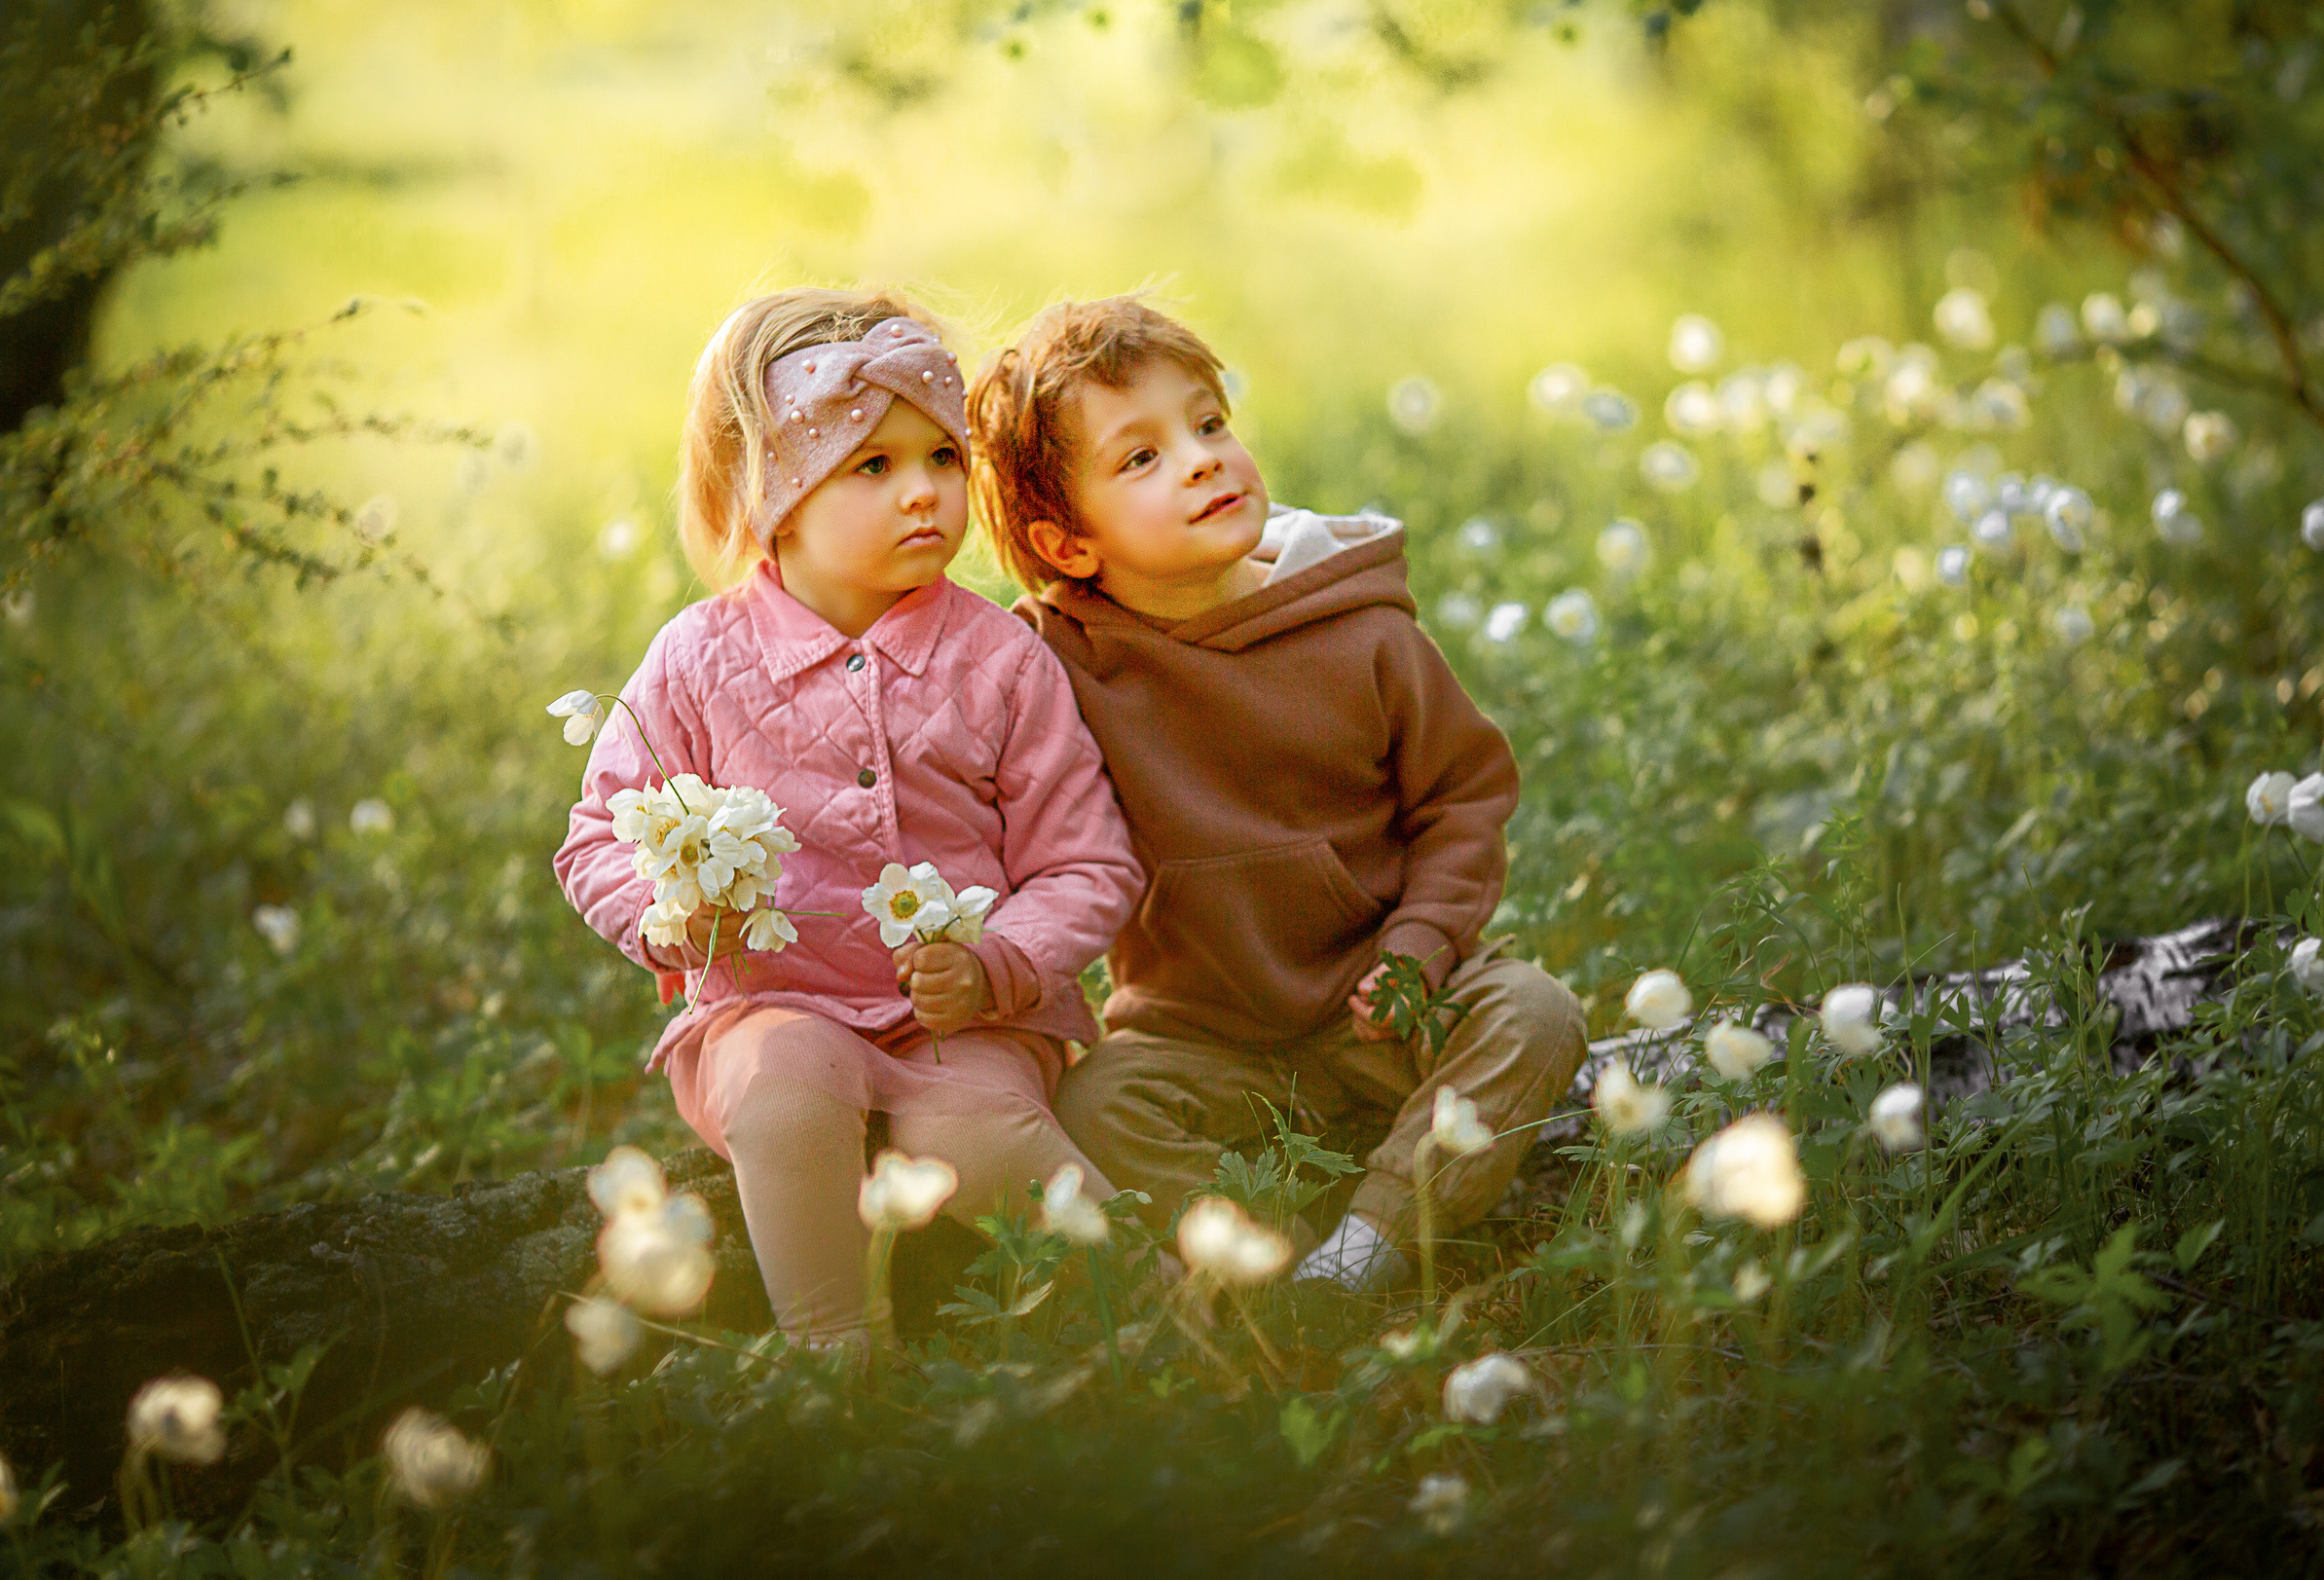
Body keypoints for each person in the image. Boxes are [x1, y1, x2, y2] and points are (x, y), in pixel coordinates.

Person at [555, 290, 1142, 1347]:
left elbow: (1086, 864)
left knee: (981, 1137)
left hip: (965, 1020)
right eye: (871, 467)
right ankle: (832, 1355)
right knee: (784, 1100)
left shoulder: (1001, 660)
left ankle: (1160, 1309)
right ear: (773, 494)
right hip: (766, 1004)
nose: (922, 493)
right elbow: (597, 833)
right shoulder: (697, 661)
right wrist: (665, 917)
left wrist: (997, 962)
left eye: (940, 458)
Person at [966, 296, 1585, 1292]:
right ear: (1072, 548)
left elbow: (1460, 802)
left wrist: (1419, 946)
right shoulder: (1053, 668)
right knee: (1094, 1113)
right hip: (1197, 1036)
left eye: (1208, 423)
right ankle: (1259, 1271)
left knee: (1536, 1012)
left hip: (1380, 1007)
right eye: (1140, 458)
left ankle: (1369, 1244)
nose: (1203, 458)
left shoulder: (1361, 628)